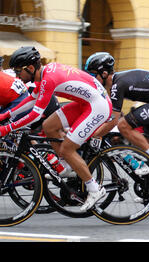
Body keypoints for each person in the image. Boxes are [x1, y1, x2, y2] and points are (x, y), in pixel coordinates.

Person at [0, 46, 112, 211]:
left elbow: (36, 114)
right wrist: (5, 115)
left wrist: (7, 128)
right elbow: (32, 98)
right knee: (49, 126)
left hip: (98, 106)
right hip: (85, 103)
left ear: (30, 68)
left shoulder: (48, 79)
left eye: (18, 71)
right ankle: (67, 167)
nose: (17, 75)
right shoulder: (44, 74)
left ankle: (95, 189)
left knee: (67, 148)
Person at [84, 52, 149, 171]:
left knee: (123, 125)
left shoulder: (117, 85)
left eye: (93, 75)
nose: (92, 79)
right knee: (148, 143)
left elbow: (114, 120)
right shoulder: (117, 82)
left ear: (104, 74)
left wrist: (96, 135)